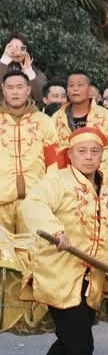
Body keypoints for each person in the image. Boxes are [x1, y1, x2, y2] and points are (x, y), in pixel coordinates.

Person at [17, 126, 108, 355]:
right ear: (70, 154)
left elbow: (103, 237)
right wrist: (56, 231)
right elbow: (32, 205)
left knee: (69, 341)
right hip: (59, 273)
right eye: (82, 151)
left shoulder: (104, 188)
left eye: (95, 151)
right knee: (80, 343)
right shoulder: (57, 180)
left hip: (89, 278)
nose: (89, 157)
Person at [0, 69, 58, 233]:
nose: (15, 92)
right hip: (1, 201)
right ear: (3, 90)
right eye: (10, 87)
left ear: (28, 90)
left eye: (19, 87)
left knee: (33, 247)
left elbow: (53, 163)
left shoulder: (44, 121)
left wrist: (48, 194)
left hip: (34, 201)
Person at [52, 71, 108, 190]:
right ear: (67, 90)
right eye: (71, 85)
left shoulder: (107, 117)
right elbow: (52, 154)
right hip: (65, 187)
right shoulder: (56, 119)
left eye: (80, 85)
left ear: (89, 90)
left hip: (100, 185)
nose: (75, 89)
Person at [1, 35, 46, 106]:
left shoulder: (35, 71)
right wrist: (4, 61)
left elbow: (41, 97)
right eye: (12, 48)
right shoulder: (2, 65)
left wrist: (29, 73)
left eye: (22, 48)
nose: (18, 51)